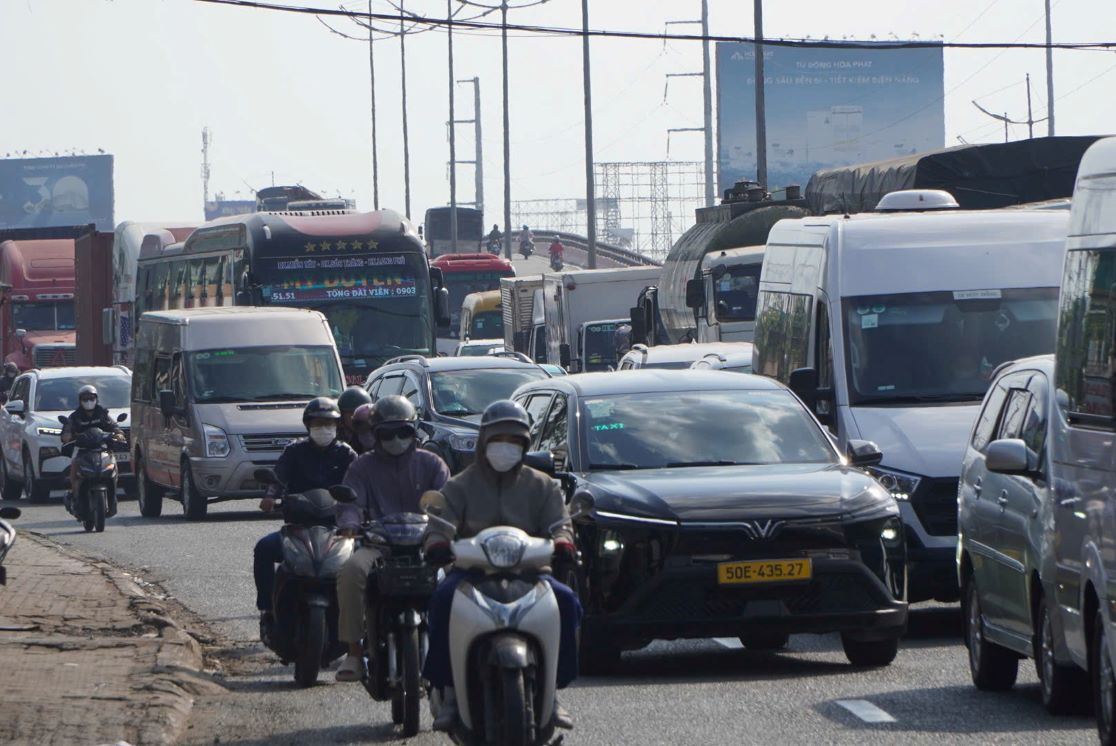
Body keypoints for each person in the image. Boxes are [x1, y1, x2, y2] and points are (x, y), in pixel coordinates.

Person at [422, 400, 581, 732]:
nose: (505, 448)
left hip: (532, 573)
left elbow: (560, 523)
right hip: (471, 574)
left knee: (567, 601)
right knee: (440, 601)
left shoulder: (543, 485)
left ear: (524, 445)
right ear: (484, 442)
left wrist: (564, 542)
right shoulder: (460, 485)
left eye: (513, 441)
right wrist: (436, 543)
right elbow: (439, 523)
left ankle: (553, 693)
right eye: (498, 440)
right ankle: (448, 692)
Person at [334, 396, 450, 682]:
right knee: (350, 571)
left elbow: (450, 502)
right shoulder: (361, 467)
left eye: (403, 432)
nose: (396, 439)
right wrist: (349, 524)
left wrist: (451, 528)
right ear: (375, 435)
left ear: (414, 432)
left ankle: (452, 650)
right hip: (379, 549)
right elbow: (350, 502)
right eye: (387, 433)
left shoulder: (432, 464)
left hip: (426, 547)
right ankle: (353, 651)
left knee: (457, 579)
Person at [253, 398, 356, 639]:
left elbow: (358, 487)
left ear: (337, 425)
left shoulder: (347, 454)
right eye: (318, 423)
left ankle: (363, 625)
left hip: (337, 532)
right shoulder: (294, 451)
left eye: (329, 423)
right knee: (264, 548)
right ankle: (267, 608)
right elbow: (278, 480)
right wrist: (270, 497)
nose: (324, 428)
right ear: (308, 425)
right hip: (298, 530)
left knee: (365, 562)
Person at [61, 385, 124, 516]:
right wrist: (68, 437)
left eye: (91, 398)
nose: (88, 401)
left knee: (113, 465)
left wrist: (118, 434)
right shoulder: (75, 416)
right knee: (74, 467)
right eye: (85, 399)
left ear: (96, 399)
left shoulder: (102, 413)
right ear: (80, 400)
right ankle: (75, 494)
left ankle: (113, 496)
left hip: (102, 450)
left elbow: (114, 426)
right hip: (83, 451)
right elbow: (67, 431)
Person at [337, 386, 373, 454]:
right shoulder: (337, 437)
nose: (356, 417)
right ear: (342, 415)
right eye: (351, 413)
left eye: (361, 413)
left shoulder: (374, 434)